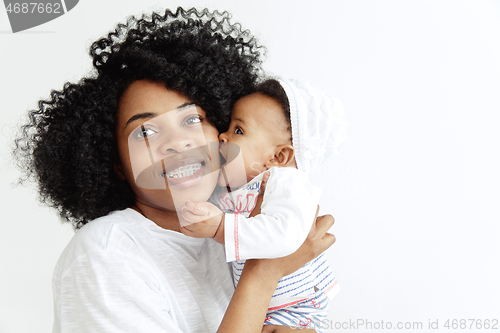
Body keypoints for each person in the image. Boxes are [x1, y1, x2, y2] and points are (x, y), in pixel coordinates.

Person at [13, 8, 336, 333]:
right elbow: (263, 273)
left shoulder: (241, 224)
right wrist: (264, 272)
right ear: (117, 165)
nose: (177, 143)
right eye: (145, 133)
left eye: (193, 120)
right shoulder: (105, 254)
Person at [181, 78, 347, 331]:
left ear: (279, 156)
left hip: (296, 307)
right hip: (267, 305)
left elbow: (286, 234)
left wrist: (220, 228)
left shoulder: (286, 182)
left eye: (238, 130)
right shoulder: (237, 186)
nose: (223, 135)